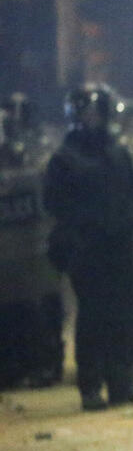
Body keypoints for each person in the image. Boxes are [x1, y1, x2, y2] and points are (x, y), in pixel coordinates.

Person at [43, 83, 133, 411]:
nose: (91, 118)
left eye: (96, 112)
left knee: (122, 315)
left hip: (119, 245)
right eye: (86, 112)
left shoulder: (118, 151)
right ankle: (91, 386)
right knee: (92, 317)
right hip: (87, 247)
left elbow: (131, 193)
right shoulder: (64, 158)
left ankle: (122, 382)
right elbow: (54, 203)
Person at [0, 93, 64, 388]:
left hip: (35, 250)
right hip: (12, 254)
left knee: (42, 312)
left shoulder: (39, 154)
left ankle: (45, 365)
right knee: (13, 317)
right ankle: (15, 368)